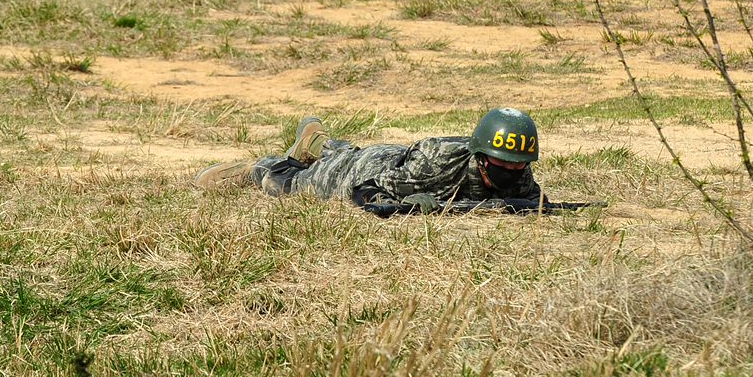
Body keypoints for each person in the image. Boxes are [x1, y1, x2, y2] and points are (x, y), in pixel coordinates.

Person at [193, 107, 545, 211]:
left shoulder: (516, 168)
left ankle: (316, 141)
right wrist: (413, 204)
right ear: (481, 157)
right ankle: (256, 168)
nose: (512, 171)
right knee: (295, 183)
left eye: (519, 165)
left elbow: (532, 199)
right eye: (503, 165)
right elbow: (367, 193)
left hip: (392, 156)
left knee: (344, 152)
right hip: (363, 172)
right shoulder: (435, 165)